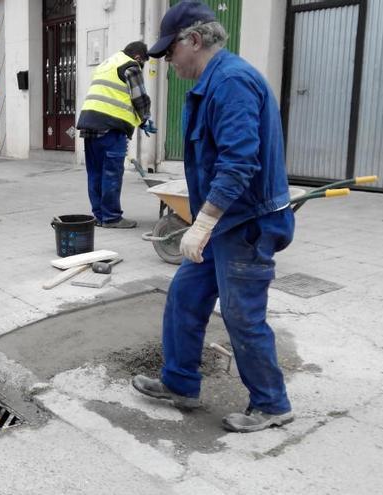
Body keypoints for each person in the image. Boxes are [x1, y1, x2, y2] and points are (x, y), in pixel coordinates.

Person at [131, 1, 296, 433]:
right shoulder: (211, 84)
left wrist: (201, 223)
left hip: (247, 225)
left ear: (194, 41)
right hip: (226, 223)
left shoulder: (232, 83)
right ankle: (181, 384)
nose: (167, 61)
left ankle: (272, 405)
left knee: (242, 316)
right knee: (186, 296)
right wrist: (206, 220)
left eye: (170, 52)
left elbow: (239, 163)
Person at [76, 41, 156, 229]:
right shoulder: (130, 66)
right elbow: (139, 97)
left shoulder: (107, 64)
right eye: (143, 63)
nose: (141, 67)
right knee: (111, 173)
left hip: (89, 125)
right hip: (111, 128)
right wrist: (145, 118)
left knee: (95, 173)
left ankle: (99, 216)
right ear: (138, 58)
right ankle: (111, 218)